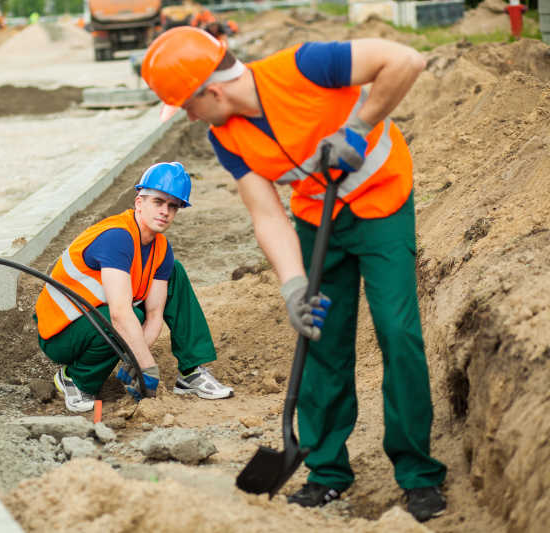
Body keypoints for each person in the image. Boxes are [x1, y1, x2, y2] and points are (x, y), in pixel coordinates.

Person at [141, 27, 447, 523]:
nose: (190, 116)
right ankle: (326, 472)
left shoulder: (305, 66)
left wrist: (358, 127)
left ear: (212, 90)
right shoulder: (225, 137)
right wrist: (292, 284)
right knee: (320, 336)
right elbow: (266, 213)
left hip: (382, 205)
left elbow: (407, 59)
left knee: (397, 331)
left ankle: (418, 475)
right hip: (317, 218)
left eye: (188, 105)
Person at [34, 162, 233, 413]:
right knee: (127, 317)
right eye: (158, 202)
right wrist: (146, 365)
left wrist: (136, 359)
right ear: (139, 202)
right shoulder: (117, 237)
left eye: (173, 206)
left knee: (175, 272)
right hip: (60, 332)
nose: (165, 211)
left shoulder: (161, 248)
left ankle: (191, 372)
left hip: (93, 319)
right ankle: (76, 378)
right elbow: (119, 313)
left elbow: (154, 315)